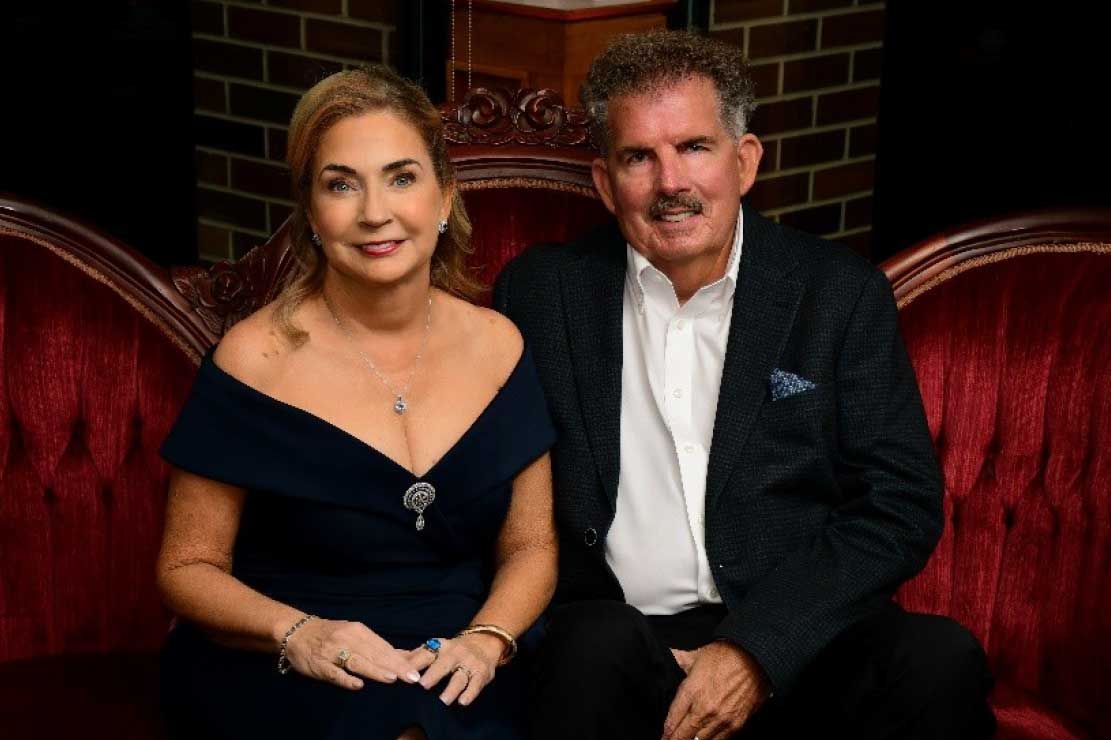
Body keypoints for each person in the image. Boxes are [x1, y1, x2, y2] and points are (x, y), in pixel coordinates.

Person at [494, 31, 995, 740]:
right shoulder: (543, 295)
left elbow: (898, 505)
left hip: (801, 636)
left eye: (694, 147)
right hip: (624, 646)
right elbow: (502, 495)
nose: (671, 182)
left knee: (937, 659)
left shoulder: (837, 293)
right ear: (605, 182)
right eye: (639, 156)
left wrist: (755, 649)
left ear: (744, 160)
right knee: (589, 647)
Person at [155, 66, 557, 740]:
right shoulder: (254, 359)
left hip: (459, 654)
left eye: (401, 177)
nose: (375, 212)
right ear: (312, 214)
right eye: (342, 185)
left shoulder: (499, 346)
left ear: (443, 196)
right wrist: (302, 634)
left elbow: (532, 547)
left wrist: (487, 640)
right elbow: (185, 568)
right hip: (292, 656)